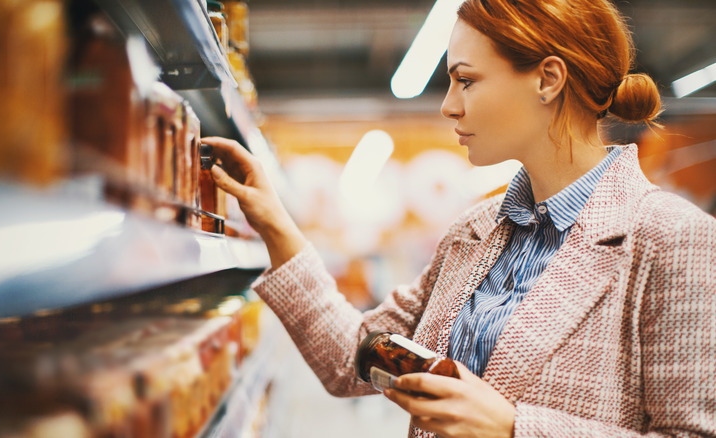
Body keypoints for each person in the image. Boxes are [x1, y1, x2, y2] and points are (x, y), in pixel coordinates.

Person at [201, 0, 716, 436]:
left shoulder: (671, 238)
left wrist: (515, 428)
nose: (448, 106)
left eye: (465, 81)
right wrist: (273, 222)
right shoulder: (474, 232)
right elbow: (352, 360)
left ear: (548, 79)